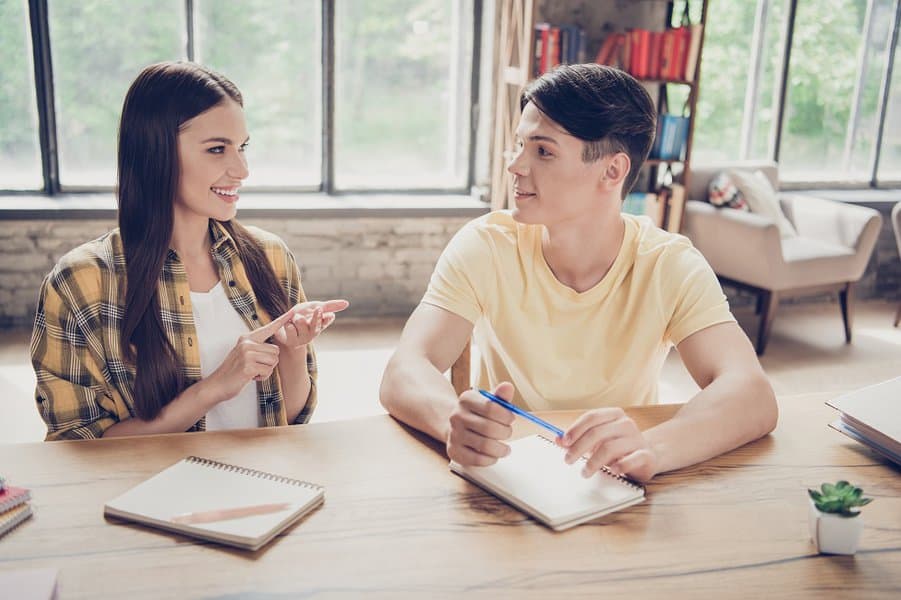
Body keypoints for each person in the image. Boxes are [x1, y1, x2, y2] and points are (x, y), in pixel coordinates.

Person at [380, 64, 777, 482]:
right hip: (508, 474)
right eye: (519, 145)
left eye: (543, 151)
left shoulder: (668, 264)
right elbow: (404, 368)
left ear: (612, 171)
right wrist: (451, 424)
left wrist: (652, 449)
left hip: (612, 481)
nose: (515, 166)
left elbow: (751, 394)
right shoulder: (486, 244)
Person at [31, 62, 348, 440]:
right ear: (156, 154)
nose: (242, 169)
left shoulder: (271, 256)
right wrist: (211, 389)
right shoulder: (80, 283)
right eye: (217, 149)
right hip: (149, 495)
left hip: (264, 490)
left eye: (242, 147)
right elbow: (75, 447)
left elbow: (290, 420)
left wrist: (293, 350)